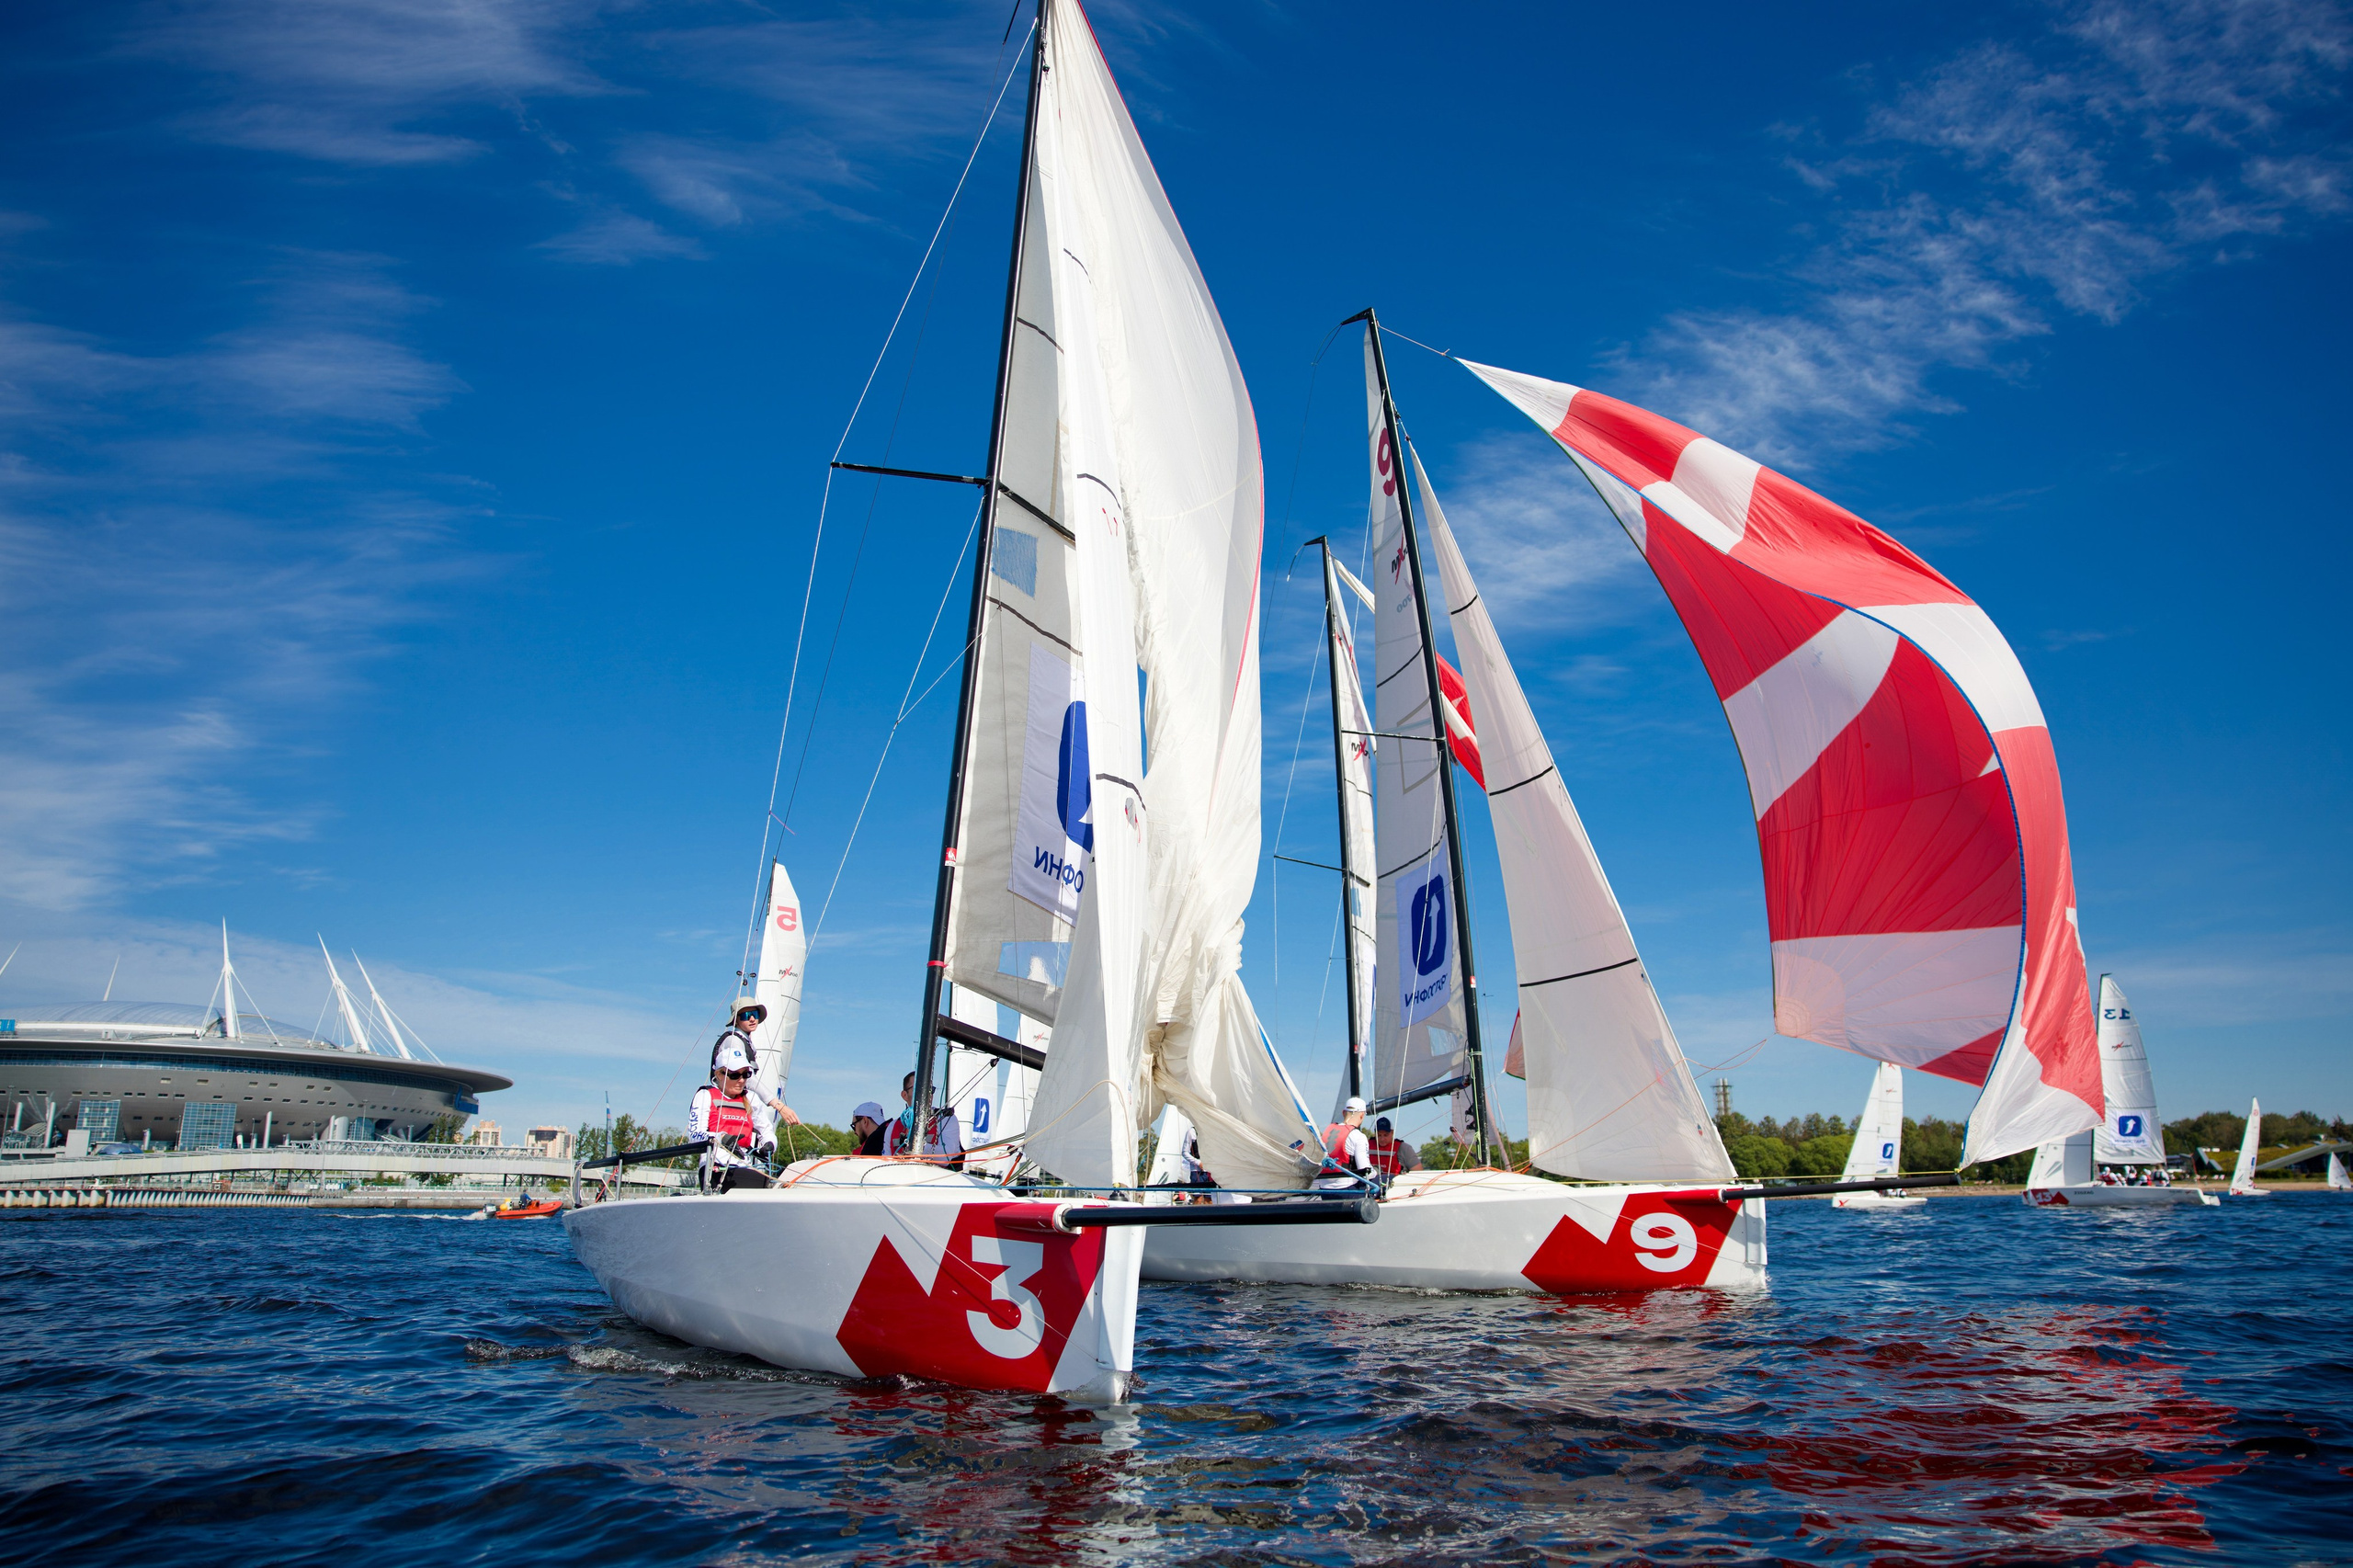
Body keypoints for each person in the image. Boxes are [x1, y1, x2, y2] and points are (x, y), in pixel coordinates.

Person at [710, 999, 801, 1155]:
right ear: (736, 1019)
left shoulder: (744, 1041)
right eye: (746, 1015)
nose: (752, 1018)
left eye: (755, 1014)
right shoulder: (734, 1041)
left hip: (741, 1101)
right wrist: (778, 1105)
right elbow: (747, 1079)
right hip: (727, 1104)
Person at [689, 1043, 771, 1193]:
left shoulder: (751, 1098)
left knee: (768, 1181)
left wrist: (769, 1144)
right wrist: (721, 1138)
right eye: (734, 1075)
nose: (741, 1080)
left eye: (745, 1074)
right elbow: (694, 1136)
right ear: (719, 1074)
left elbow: (766, 1130)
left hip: (744, 1166)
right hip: (715, 1169)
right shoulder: (705, 1096)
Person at [885, 1071, 965, 1165]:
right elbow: (885, 1160)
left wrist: (916, 1147)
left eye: (930, 1089)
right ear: (904, 1095)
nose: (927, 1093)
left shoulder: (945, 1118)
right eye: (919, 1088)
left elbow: (946, 1156)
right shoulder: (892, 1126)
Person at [1314, 1096, 1375, 1190]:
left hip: (1325, 1190)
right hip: (1347, 1190)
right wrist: (1376, 1172)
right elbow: (1366, 1172)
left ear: (1343, 1113)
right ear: (1362, 1115)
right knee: (1384, 1179)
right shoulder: (1358, 1136)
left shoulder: (1327, 1132)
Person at [1366, 1116, 1419, 1182]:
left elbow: (1418, 1172)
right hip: (1370, 1187)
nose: (1382, 1139)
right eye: (1379, 1135)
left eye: (1386, 1135)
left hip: (1394, 1187)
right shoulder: (1366, 1145)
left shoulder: (1404, 1148)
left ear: (1392, 1133)